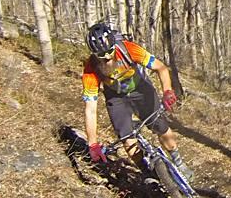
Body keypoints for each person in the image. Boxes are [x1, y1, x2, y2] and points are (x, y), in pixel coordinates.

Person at [81, 21, 193, 182]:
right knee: (127, 140)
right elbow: (90, 109)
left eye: (110, 52)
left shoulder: (128, 49)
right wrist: (92, 143)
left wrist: (167, 91)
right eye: (101, 55)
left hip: (140, 89)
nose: (107, 58)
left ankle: (179, 162)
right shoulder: (91, 69)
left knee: (160, 126)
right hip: (116, 97)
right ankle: (148, 173)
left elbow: (160, 68)